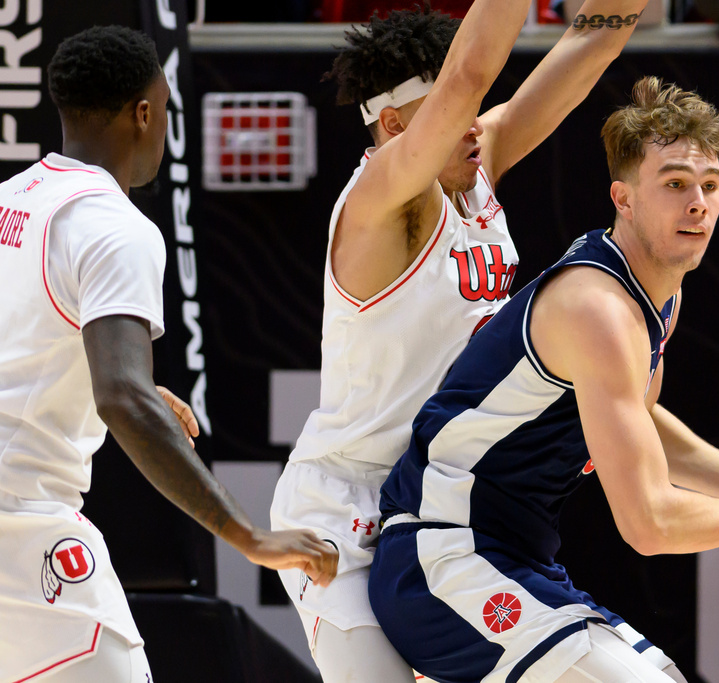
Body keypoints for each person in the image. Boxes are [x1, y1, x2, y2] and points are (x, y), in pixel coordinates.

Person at [367, 76, 719, 683]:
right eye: (675, 185)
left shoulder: (662, 291)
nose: (699, 204)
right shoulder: (598, 309)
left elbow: (642, 425)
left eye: (710, 187)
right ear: (623, 198)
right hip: (443, 557)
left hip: (512, 560)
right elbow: (649, 525)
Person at [267, 1, 654, 680]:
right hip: (346, 512)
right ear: (393, 125)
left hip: (442, 506)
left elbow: (593, 44)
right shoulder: (380, 200)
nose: (475, 121)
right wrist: (463, 78)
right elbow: (472, 71)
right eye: (450, 105)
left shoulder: (478, 163)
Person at [0, 26, 338, 683]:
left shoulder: (11, 200)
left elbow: (28, 340)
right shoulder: (116, 226)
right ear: (145, 113)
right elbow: (120, 396)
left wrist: (96, 375)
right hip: (21, 523)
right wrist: (248, 535)